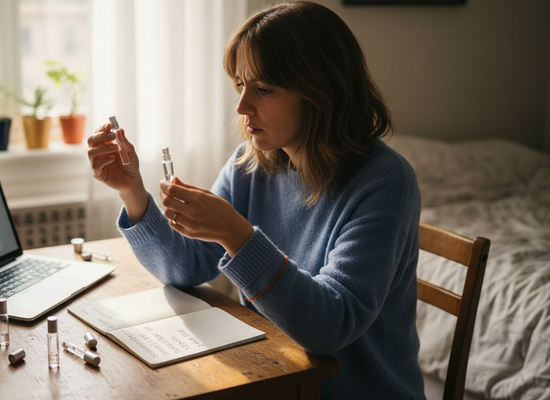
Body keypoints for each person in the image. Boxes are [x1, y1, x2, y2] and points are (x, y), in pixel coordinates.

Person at [87, 2, 424, 398]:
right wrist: (132, 192)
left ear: (321, 91)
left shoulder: (385, 182)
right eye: (240, 85)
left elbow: (330, 328)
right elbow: (185, 266)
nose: (242, 106)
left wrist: (237, 235)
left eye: (263, 89)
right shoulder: (253, 165)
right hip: (275, 379)